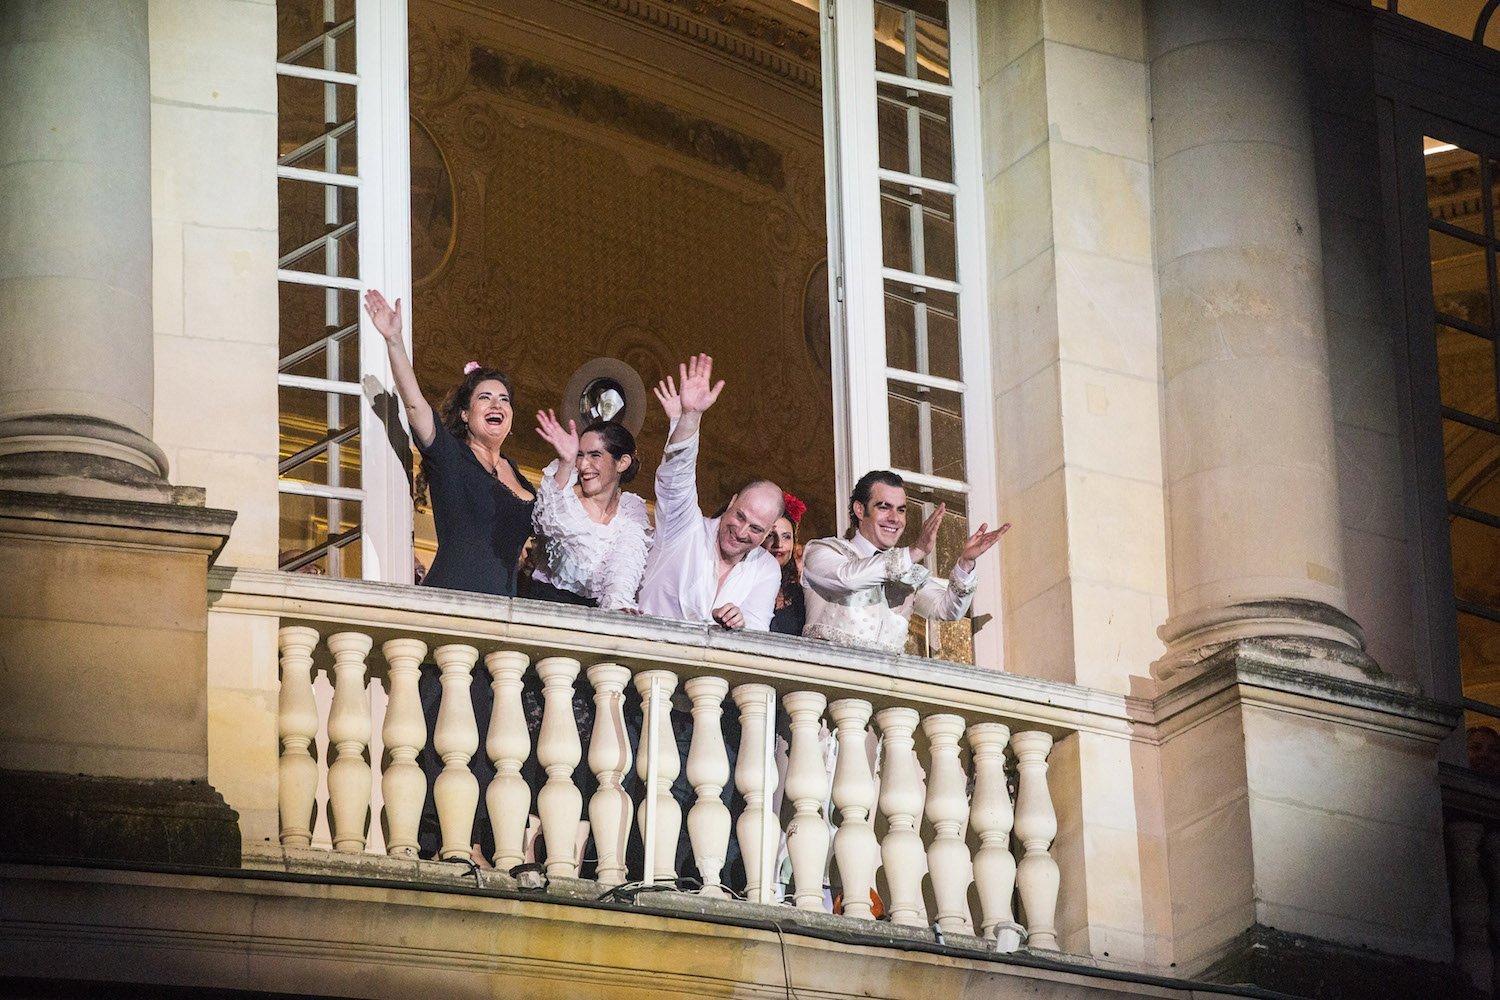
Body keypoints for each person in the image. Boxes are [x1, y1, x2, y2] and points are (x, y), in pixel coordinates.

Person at [364, 288, 535, 863]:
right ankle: (441, 841)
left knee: (495, 734)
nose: (497, 404)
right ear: (464, 412)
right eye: (484, 397)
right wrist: (394, 341)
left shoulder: (519, 475)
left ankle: (481, 842)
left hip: (503, 616)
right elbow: (414, 410)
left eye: (505, 399)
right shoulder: (451, 455)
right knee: (446, 724)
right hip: (454, 604)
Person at [636, 353, 783, 631]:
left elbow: (757, 628)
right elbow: (675, 479)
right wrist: (691, 417)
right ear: (732, 501)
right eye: (740, 516)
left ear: (768, 532)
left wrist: (742, 622)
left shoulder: (766, 567)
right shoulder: (685, 529)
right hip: (649, 664)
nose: (741, 532)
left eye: (755, 528)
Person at [801, 470, 1008, 654]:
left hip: (886, 688)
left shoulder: (910, 573)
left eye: (901, 510)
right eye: (884, 507)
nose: (895, 518)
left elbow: (947, 609)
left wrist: (966, 563)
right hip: (830, 682)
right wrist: (915, 551)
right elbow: (846, 579)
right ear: (860, 510)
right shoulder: (823, 550)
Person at [530, 412, 651, 610]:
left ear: (622, 462)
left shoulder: (631, 511)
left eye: (595, 455)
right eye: (580, 455)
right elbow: (549, 524)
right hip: (547, 605)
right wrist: (566, 462)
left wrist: (618, 605)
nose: (584, 465)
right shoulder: (563, 498)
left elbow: (624, 566)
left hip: (597, 615)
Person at [764, 493, 807, 636]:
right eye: (771, 535)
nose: (779, 545)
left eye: (786, 537)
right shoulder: (742, 582)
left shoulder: (799, 594)